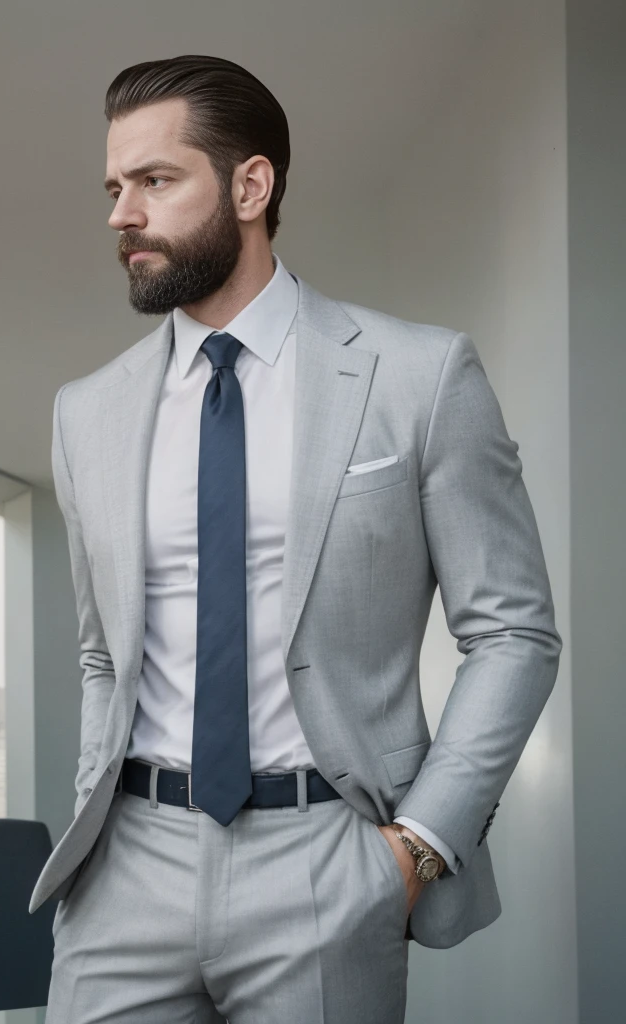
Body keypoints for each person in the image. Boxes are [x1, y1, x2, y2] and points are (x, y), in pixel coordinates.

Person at [29, 54, 562, 1023]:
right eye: (114, 187)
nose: (120, 213)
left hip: (327, 862)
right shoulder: (85, 414)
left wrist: (414, 848)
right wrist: (94, 822)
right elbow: (101, 653)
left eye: (154, 180)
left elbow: (515, 633)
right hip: (127, 873)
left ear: (251, 185)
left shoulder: (418, 375)